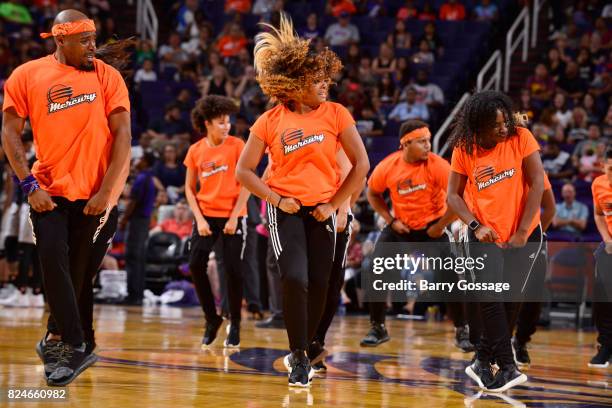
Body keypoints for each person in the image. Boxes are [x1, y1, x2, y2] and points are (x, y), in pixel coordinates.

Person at [236, 14, 369, 387]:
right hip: (286, 210)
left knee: (322, 283)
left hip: (324, 209)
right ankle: (297, 356)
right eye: (316, 81)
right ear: (294, 85)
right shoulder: (269, 121)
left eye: (326, 79)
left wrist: (335, 204)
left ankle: (310, 346)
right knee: (294, 278)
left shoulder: (337, 114)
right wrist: (276, 199)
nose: (325, 85)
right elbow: (244, 172)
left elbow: (361, 165)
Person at [1, 9, 131, 386]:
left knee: (79, 274)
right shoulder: (27, 75)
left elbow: (123, 135)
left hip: (96, 196)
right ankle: (72, 345)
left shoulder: (108, 77)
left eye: (94, 38)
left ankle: (57, 337)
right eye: (85, 40)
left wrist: (106, 191)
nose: (94, 47)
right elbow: (10, 134)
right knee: (53, 263)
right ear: (61, 39)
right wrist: (29, 185)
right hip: (48, 192)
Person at [447, 91, 544, 393]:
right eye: (496, 125)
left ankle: (480, 361)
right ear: (478, 127)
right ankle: (507, 365)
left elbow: (538, 181)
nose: (504, 129)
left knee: (510, 301)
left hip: (524, 232)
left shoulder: (521, 137)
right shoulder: (464, 148)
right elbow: (453, 196)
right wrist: (475, 225)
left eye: (505, 121)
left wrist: (523, 231)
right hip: (483, 235)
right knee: (491, 300)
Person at [360, 120, 456, 347]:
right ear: (405, 144)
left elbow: (457, 198)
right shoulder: (388, 166)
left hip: (433, 227)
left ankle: (462, 329)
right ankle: (378, 327)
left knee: (451, 274)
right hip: (402, 227)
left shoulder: (438, 165)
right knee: (375, 268)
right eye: (422, 142)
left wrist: (441, 225)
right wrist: (391, 220)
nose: (428, 145)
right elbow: (373, 193)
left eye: (429, 140)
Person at [184, 95, 250, 349]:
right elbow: (189, 189)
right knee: (195, 264)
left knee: (233, 271)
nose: (227, 126)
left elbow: (247, 182)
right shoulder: (196, 151)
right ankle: (212, 318)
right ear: (207, 123)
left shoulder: (237, 145)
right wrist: (199, 219)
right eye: (221, 122)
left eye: (228, 122)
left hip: (233, 215)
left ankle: (235, 322)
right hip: (206, 215)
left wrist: (234, 217)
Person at [511, 172, 556, 366]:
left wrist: (536, 233)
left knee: (533, 297)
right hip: (502, 238)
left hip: (530, 238)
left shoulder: (534, 169)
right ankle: (493, 345)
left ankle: (521, 341)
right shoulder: (496, 168)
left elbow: (550, 209)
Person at [589, 147, 612, 368]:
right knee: (601, 296)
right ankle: (605, 344)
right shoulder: (598, 184)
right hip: (609, 247)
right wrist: (606, 239)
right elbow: (598, 213)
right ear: (604, 166)